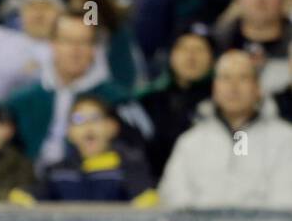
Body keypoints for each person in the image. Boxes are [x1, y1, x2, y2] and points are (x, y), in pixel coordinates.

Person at [159, 48, 292, 207]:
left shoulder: (284, 139)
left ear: (257, 88)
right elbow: (174, 196)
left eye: (243, 78)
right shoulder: (191, 141)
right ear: (215, 89)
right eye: (226, 78)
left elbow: (284, 202)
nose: (233, 87)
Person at [5, 13, 130, 170]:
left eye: (84, 42)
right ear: (52, 44)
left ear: (94, 49)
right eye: (67, 41)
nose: (75, 50)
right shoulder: (21, 100)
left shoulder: (117, 100)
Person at [28, 94, 157, 205]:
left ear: (112, 127)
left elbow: (145, 202)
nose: (88, 126)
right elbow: (30, 198)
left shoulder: (130, 167)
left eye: (95, 118)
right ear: (69, 132)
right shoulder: (56, 171)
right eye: (78, 120)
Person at [135, 22, 215, 178]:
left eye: (199, 50)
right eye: (184, 49)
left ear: (212, 58)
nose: (191, 57)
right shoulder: (149, 101)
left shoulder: (223, 101)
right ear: (171, 55)